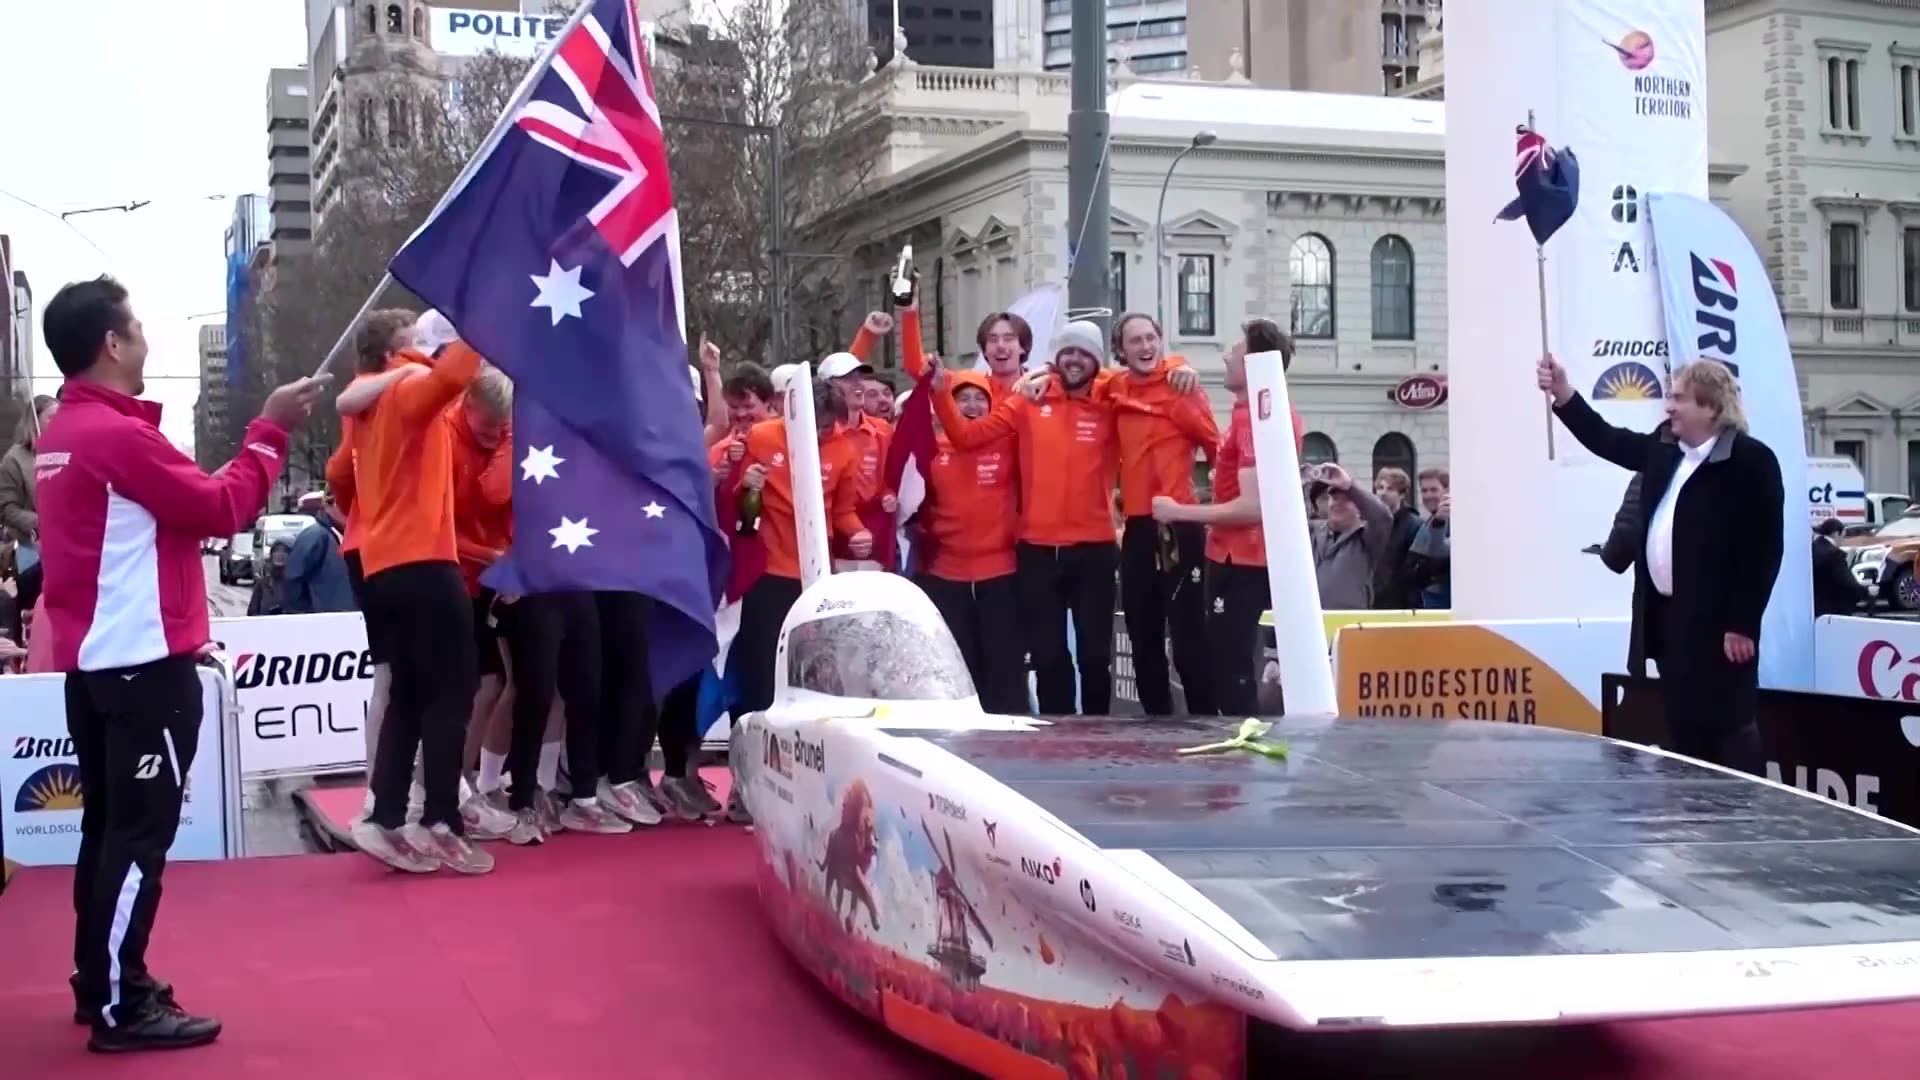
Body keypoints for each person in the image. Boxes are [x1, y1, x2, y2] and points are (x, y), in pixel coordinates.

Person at [36, 275, 326, 1051]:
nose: (145, 341)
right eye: (136, 328)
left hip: (99, 668)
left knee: (108, 833)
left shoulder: (64, 433)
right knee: (136, 840)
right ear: (111, 342)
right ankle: (120, 1006)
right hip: (141, 670)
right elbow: (221, 508)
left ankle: (101, 983)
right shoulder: (115, 437)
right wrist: (269, 430)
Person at [1538, 353, 1784, 773]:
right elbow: (1608, 439)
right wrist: (1564, 394)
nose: (1669, 407)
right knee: (1684, 730)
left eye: (1679, 398)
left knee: (1729, 732)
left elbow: (1763, 550)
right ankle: (1692, 820)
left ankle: (1743, 822)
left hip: (1721, 629)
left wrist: (1742, 623)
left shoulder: (1751, 461)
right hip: (1670, 621)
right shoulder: (1664, 448)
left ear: (1711, 407)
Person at [343, 310, 492, 874]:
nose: (426, 348)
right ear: (393, 354)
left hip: (383, 565)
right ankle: (439, 821)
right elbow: (454, 377)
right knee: (453, 692)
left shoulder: (365, 404)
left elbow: (340, 465)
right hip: (425, 561)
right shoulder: (406, 391)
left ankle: (384, 815)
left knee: (407, 693)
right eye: (412, 343)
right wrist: (483, 320)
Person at [932, 322, 1124, 715]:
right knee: (1049, 656)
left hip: (1095, 547)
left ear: (1097, 360)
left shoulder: (1110, 397)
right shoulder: (1026, 402)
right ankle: (1058, 738)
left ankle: (1101, 734)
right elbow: (968, 438)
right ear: (1055, 357)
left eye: (1084, 352)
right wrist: (938, 391)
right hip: (1037, 550)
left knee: (1094, 656)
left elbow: (1141, 380)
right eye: (1066, 352)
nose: (1074, 360)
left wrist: (1175, 366)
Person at [1104, 312, 1218, 716]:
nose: (1145, 347)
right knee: (1142, 631)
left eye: (1151, 338)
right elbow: (1074, 371)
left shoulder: (1181, 386)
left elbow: (1215, 445)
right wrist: (1043, 373)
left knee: (1189, 635)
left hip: (1180, 523)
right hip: (1137, 525)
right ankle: (1156, 723)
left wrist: (1219, 506)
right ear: (1120, 349)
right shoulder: (1113, 387)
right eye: (1135, 341)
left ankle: (1207, 720)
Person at [0, 393, 56, 634]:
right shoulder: (15, 459)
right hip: (29, 548)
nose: (59, 421)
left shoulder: (64, 452)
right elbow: (7, 509)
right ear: (35, 421)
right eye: (52, 417)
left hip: (62, 545)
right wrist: (41, 522)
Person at [281, 493, 355, 614]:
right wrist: (306, 618)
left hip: (347, 621)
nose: (349, 510)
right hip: (323, 623)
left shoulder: (348, 537)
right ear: (327, 507)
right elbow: (293, 582)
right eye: (343, 504)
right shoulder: (315, 537)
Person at [1812, 517, 1871, 617]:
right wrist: (1868, 591)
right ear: (1836, 534)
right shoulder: (1835, 554)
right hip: (1830, 610)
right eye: (1843, 536)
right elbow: (1848, 583)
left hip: (1812, 606)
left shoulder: (1813, 547)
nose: (1843, 540)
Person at [246, 541, 292, 616]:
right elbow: (252, 613)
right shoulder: (262, 584)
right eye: (276, 551)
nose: (280, 554)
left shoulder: (296, 584)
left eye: (284, 551)